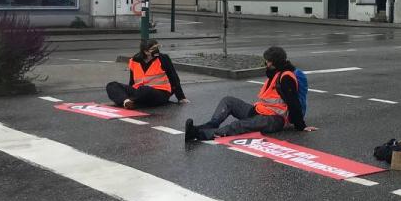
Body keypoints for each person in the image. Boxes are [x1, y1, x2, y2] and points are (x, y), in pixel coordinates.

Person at [184, 47, 316, 141]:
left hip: (275, 119)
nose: (265, 63)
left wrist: (301, 126)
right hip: (260, 111)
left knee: (238, 126)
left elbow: (294, 103)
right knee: (228, 101)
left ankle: (197, 134)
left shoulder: (286, 77)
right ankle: (210, 126)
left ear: (274, 63)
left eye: (267, 61)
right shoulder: (274, 74)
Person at [106, 40, 188, 109]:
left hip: (160, 93)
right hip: (139, 92)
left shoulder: (163, 58)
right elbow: (132, 81)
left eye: (157, 47)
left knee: (145, 89)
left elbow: (174, 78)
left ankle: (129, 101)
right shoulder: (134, 60)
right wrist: (128, 92)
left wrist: (181, 97)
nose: (157, 50)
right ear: (145, 51)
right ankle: (127, 102)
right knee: (111, 85)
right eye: (153, 49)